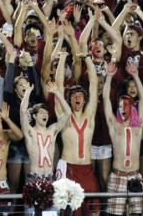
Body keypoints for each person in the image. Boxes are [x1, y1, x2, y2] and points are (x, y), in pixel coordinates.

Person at [55, 52, 100, 216]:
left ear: (85, 100)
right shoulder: (64, 117)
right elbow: (58, 86)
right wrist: (61, 59)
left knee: (93, 211)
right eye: (73, 96)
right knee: (68, 213)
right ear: (69, 100)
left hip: (87, 169)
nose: (77, 97)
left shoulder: (90, 115)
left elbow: (94, 83)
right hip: (69, 169)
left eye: (80, 95)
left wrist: (88, 57)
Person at [20, 81, 71, 215]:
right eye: (41, 112)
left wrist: (57, 93)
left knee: (51, 214)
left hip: (50, 178)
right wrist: (28, 93)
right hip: (34, 179)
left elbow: (67, 113)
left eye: (46, 113)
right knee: (31, 214)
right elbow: (22, 111)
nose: (45, 115)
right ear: (35, 116)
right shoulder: (30, 132)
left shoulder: (52, 130)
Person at [103, 62, 143, 216]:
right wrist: (108, 77)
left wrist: (135, 75)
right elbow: (106, 101)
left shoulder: (138, 127)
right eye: (121, 106)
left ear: (132, 108)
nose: (123, 108)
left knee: (138, 214)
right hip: (118, 176)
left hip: (135, 175)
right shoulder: (115, 126)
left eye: (126, 105)